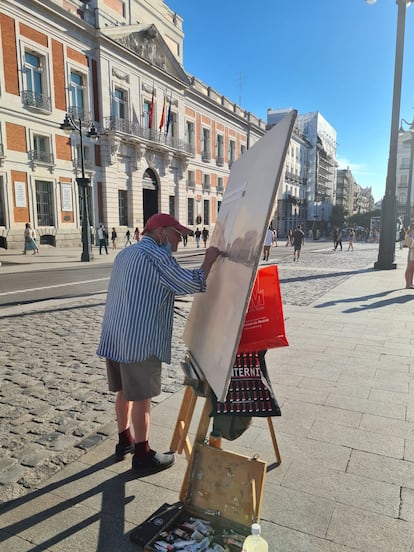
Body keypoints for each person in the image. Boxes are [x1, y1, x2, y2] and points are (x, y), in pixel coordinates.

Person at [96, 213, 221, 476]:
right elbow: (192, 283)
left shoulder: (127, 253)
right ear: (161, 232)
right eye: (177, 234)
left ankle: (124, 441)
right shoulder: (157, 256)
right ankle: (143, 455)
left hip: (116, 334)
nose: (180, 240)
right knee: (142, 398)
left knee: (123, 391)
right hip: (139, 339)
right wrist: (208, 261)